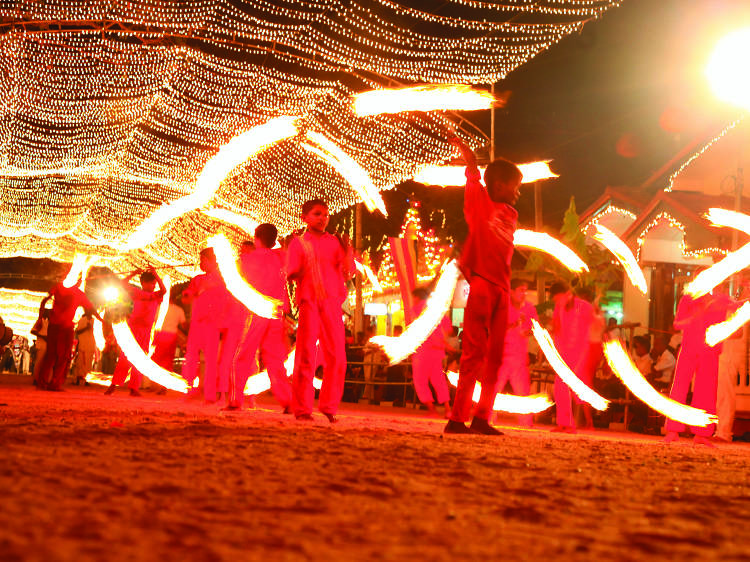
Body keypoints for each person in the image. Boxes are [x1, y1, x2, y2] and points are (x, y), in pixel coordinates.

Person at [444, 135, 522, 436]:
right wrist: (470, 158)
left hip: (502, 288)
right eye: (515, 186)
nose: (517, 192)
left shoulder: (512, 215)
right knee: (474, 354)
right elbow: (475, 179)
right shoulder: (479, 206)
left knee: (496, 358)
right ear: (499, 186)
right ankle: (457, 418)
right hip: (482, 286)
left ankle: (481, 418)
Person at [286, 199, 355, 422]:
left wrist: (348, 251)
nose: (323, 218)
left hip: (332, 304)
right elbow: (290, 272)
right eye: (317, 214)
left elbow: (348, 272)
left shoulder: (335, 242)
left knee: (337, 357)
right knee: (305, 354)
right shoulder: (298, 243)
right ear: (304, 217)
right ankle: (303, 409)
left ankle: (329, 407)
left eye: (326, 214)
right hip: (309, 302)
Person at [225, 223, 294, 412]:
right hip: (275, 314)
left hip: (256, 313)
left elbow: (237, 281)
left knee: (243, 357)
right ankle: (287, 401)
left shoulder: (246, 260)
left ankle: (235, 400)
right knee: (274, 360)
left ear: (256, 238)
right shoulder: (281, 257)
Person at [664, 292, 730, 447]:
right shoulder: (688, 299)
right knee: (679, 388)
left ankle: (702, 433)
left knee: (706, 392)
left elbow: (735, 308)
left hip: (709, 351)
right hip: (689, 349)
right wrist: (694, 318)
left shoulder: (719, 300)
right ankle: (673, 431)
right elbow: (677, 324)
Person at [105, 268, 166, 396]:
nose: (153, 286)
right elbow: (122, 284)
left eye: (154, 283)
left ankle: (134, 388)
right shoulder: (136, 292)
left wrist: (155, 274)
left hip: (146, 331)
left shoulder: (156, 295)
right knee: (125, 358)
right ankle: (113, 385)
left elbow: (164, 290)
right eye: (150, 283)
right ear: (143, 283)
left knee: (141, 359)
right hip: (133, 329)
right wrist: (133, 273)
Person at [36, 278, 101, 391]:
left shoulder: (61, 287)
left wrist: (40, 318)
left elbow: (44, 301)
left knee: (53, 355)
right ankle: (53, 383)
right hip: (63, 327)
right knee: (62, 356)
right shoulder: (73, 291)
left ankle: (45, 382)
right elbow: (91, 309)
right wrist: (102, 320)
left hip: (57, 326)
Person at [182, 248, 228, 404]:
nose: (201, 263)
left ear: (213, 260)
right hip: (197, 323)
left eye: (203, 260)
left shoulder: (224, 279)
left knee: (210, 360)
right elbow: (187, 297)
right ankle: (190, 389)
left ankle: (210, 395)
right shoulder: (197, 279)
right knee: (191, 357)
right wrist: (188, 294)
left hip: (213, 324)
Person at [550, 280, 594, 433]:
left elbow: (593, 327)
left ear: (568, 294)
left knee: (575, 387)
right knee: (560, 387)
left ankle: (575, 424)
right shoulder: (559, 308)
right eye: (556, 300)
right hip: (564, 352)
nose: (558, 302)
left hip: (580, 352)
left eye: (559, 298)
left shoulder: (584, 306)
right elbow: (556, 327)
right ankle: (564, 423)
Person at [494, 279, 539, 428]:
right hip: (500, 353)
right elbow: (495, 327)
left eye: (525, 290)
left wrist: (528, 331)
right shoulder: (502, 306)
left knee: (522, 390)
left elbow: (535, 328)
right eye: (521, 290)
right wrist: (514, 324)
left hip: (519, 355)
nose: (524, 293)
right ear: (511, 291)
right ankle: (486, 419)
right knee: (494, 388)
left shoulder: (529, 308)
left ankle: (525, 423)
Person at [409, 287, 452, 417]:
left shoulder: (416, 309)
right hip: (437, 351)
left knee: (420, 380)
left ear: (417, 297)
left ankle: (432, 409)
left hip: (423, 351)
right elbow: (449, 329)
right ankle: (447, 409)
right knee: (438, 380)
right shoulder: (436, 309)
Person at [151, 287, 188, 394]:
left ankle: (156, 385)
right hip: (171, 336)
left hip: (159, 335)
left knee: (156, 360)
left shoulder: (158, 308)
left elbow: (152, 322)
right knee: (167, 361)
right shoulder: (178, 309)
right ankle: (164, 386)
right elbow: (184, 325)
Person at [72, 311, 96, 385]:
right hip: (83, 344)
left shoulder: (94, 320)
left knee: (88, 363)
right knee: (80, 362)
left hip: (91, 344)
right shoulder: (82, 320)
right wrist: (86, 328)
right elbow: (77, 331)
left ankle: (85, 380)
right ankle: (77, 379)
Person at [30, 308, 49, 386]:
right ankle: (36, 379)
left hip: (48, 344)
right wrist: (43, 337)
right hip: (41, 344)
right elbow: (33, 331)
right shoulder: (40, 321)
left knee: (46, 363)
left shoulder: (48, 321)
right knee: (39, 362)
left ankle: (44, 379)